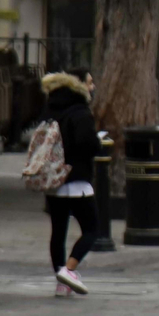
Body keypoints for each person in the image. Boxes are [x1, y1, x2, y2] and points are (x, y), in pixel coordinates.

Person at [41, 69, 100, 296]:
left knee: (58, 231)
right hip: (77, 179)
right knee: (93, 228)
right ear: (78, 86)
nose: (92, 87)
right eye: (90, 82)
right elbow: (87, 143)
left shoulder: (50, 108)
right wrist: (98, 143)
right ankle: (70, 269)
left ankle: (61, 282)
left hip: (53, 180)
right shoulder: (80, 112)